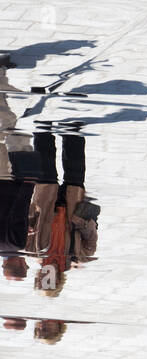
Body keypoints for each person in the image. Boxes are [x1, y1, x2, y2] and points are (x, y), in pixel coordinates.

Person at [6, 125, 98, 298]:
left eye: (41, 280)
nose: (47, 276)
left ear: (37, 278)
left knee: (45, 165)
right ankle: (73, 133)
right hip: (72, 207)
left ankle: (43, 131)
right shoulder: (79, 257)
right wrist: (84, 224)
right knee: (75, 168)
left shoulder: (32, 251)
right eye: (51, 282)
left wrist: (29, 224)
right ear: (59, 280)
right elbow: (91, 238)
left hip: (46, 203)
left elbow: (26, 221)